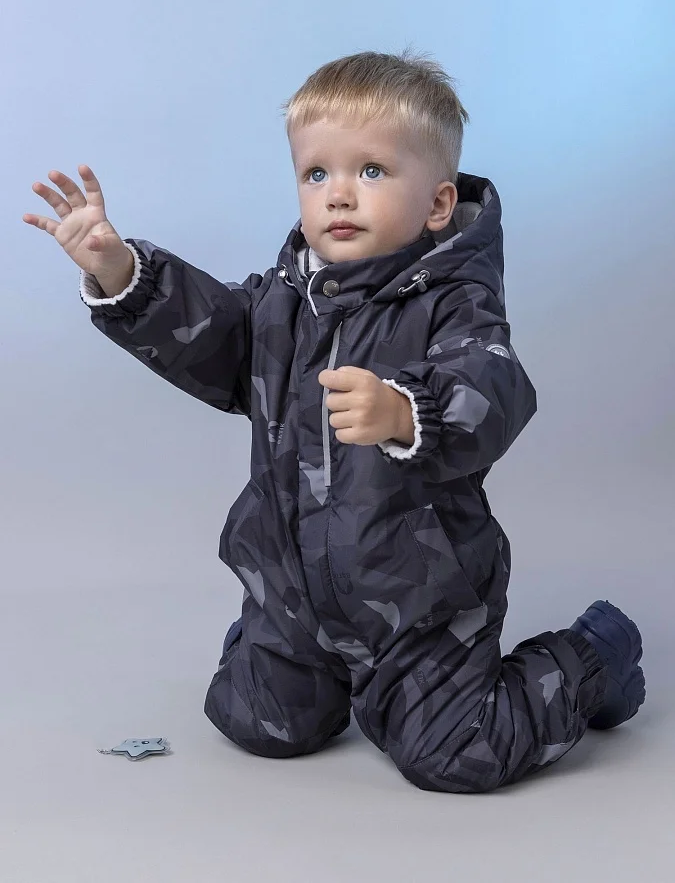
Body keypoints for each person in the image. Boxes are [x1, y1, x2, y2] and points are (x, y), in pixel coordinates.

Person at [23, 49, 645, 793]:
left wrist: (406, 408)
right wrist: (121, 271)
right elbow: (215, 337)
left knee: (456, 754)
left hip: (415, 598)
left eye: (371, 171)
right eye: (316, 174)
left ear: (438, 204)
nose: (339, 194)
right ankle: (297, 659)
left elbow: (494, 386)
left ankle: (593, 657)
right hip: (292, 591)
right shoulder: (283, 300)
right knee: (253, 722)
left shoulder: (453, 303)